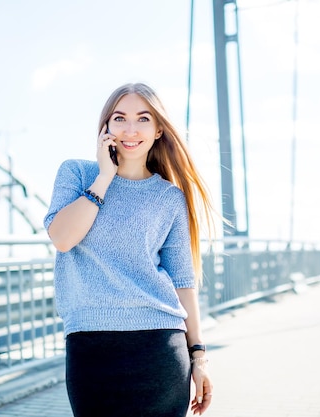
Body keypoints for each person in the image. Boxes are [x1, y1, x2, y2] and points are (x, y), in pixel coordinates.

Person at [43, 82, 217, 416]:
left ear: (158, 130)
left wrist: (199, 358)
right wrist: (105, 177)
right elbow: (63, 238)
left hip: (160, 348)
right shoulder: (77, 173)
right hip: (90, 347)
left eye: (143, 119)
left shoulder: (169, 197)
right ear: (105, 127)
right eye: (120, 118)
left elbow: (182, 280)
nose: (130, 129)